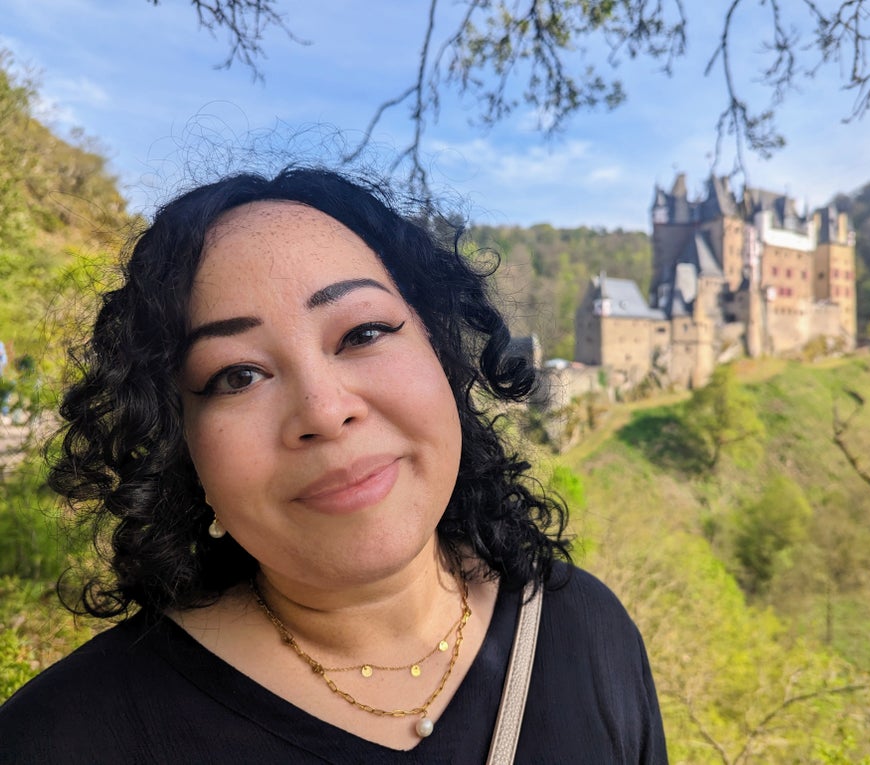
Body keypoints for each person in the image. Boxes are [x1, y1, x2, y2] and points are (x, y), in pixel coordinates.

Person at [0, 167, 669, 764]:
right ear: (180, 446)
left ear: (443, 356)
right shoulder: (59, 739)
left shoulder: (584, 630)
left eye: (363, 333)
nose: (323, 409)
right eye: (237, 375)